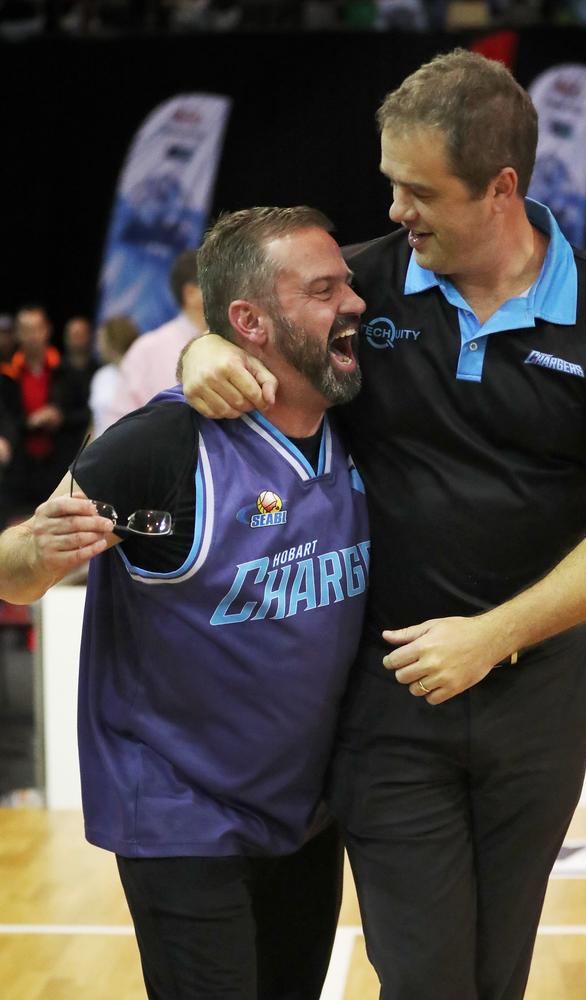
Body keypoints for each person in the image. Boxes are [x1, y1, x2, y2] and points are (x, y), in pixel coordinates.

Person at [177, 50, 586, 1000]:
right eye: (391, 183)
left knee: (494, 975)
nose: (395, 210)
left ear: (501, 188)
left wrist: (495, 637)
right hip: (386, 701)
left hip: (540, 695)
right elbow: (247, 332)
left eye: (418, 190)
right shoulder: (361, 289)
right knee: (427, 976)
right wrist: (199, 352)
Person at [0, 206, 369, 1000]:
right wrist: (36, 550)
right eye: (324, 288)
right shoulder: (158, 446)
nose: (355, 302)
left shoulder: (361, 427)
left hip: (304, 807)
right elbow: (13, 570)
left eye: (348, 282)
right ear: (251, 321)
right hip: (180, 813)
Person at [0, 305, 90, 528]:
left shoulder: (67, 370)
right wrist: (28, 423)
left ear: (47, 330)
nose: (32, 336)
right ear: (18, 333)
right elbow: (6, 418)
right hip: (18, 470)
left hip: (59, 467)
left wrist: (61, 417)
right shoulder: (7, 374)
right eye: (26, 330)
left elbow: (84, 413)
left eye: (36, 329)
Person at [104, 249, 204, 427]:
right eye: (220, 284)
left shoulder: (239, 344)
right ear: (190, 293)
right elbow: (118, 427)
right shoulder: (148, 350)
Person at [88, 316, 140, 436]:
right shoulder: (101, 376)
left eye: (100, 339)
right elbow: (95, 422)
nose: (98, 347)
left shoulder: (140, 373)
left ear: (114, 339)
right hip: (101, 450)